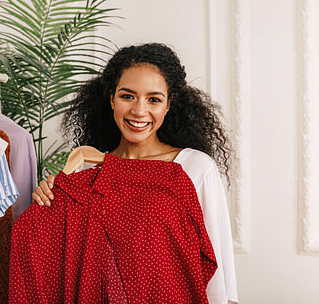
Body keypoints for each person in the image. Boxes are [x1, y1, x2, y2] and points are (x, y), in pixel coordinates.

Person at [32, 43, 239, 303]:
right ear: (111, 98)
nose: (139, 111)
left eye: (154, 99)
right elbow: (69, 264)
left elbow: (216, 273)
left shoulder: (194, 167)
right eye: (127, 96)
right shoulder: (88, 170)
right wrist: (47, 201)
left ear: (168, 104)